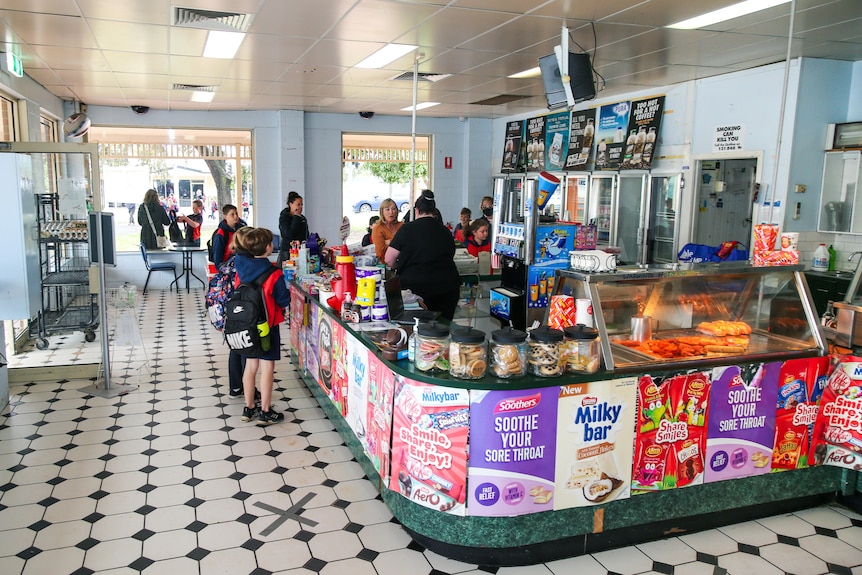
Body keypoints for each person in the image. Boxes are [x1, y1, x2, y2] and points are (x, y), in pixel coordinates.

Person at [234, 227, 291, 425]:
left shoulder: (240, 267)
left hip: (247, 324)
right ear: (268, 248)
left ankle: (249, 408)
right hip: (268, 326)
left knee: (250, 366)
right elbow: (283, 300)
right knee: (267, 368)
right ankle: (265, 411)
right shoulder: (274, 273)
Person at [384, 190, 460, 320]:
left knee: (418, 332)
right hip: (447, 289)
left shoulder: (407, 229)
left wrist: (401, 263)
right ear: (434, 211)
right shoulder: (445, 231)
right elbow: (450, 255)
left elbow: (389, 259)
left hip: (416, 291)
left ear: (416, 210)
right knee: (442, 331)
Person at [277, 191, 309, 264]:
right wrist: (296, 217)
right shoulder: (284, 218)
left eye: (301, 205)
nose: (300, 207)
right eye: (298, 205)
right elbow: (289, 234)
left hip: (300, 250)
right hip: (287, 251)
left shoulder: (302, 218)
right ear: (291, 204)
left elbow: (306, 234)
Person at [212, 204, 243, 268]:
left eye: (236, 213)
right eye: (232, 214)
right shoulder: (221, 233)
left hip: (241, 263)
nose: (235, 216)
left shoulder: (242, 229)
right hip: (227, 266)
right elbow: (217, 255)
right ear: (225, 216)